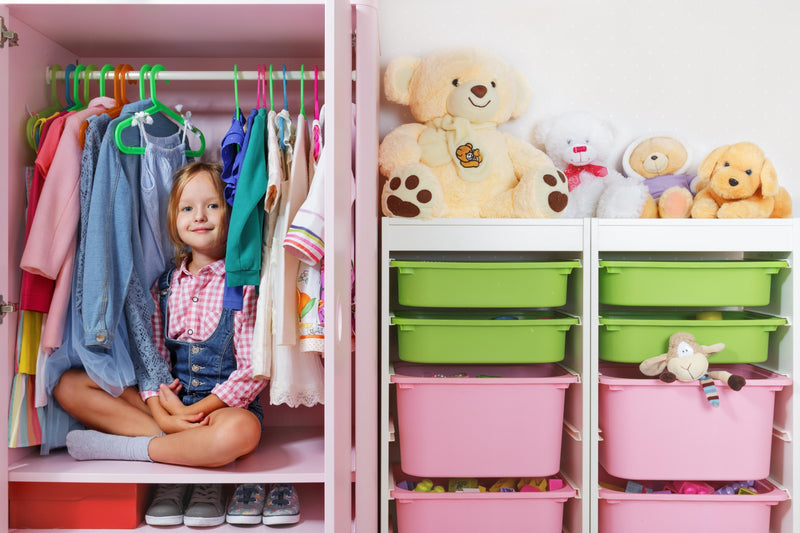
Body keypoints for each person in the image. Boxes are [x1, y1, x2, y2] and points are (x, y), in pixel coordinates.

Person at [55, 161, 266, 469]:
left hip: (221, 410)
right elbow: (151, 362)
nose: (200, 217)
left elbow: (251, 371)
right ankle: (178, 440)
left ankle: (132, 448)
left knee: (241, 431)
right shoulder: (163, 286)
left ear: (231, 213)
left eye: (213, 205)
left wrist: (191, 413)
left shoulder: (242, 286)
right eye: (187, 209)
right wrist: (162, 412)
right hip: (168, 408)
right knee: (70, 385)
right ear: (174, 219)